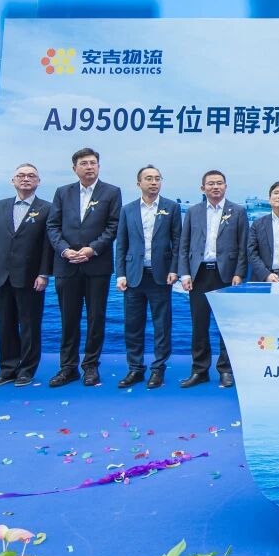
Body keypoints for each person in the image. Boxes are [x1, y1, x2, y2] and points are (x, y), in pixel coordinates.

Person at [46, 147, 122, 388]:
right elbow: (52, 226)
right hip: (66, 264)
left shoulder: (111, 192)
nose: (89, 167)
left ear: (98, 166)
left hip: (96, 265)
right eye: (84, 163)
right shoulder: (62, 192)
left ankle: (91, 366)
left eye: (93, 163)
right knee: (68, 319)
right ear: (74, 168)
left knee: (95, 318)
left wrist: (92, 249)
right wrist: (64, 250)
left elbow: (113, 226)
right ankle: (67, 368)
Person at [0, 163, 52, 388]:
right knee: (5, 324)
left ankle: (27, 370)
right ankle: (7, 369)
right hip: (1, 276)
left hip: (31, 277)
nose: (25, 179)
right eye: (21, 175)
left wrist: (44, 273)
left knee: (30, 325)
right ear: (13, 180)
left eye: (31, 176)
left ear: (38, 181)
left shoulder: (47, 208)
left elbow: (47, 245)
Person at [178, 169, 247, 389]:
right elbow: (184, 245)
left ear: (226, 186)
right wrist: (185, 273)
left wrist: (239, 273)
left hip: (226, 275)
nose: (215, 187)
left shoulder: (238, 211)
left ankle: (225, 370)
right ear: (203, 188)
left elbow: (243, 246)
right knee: (199, 325)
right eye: (210, 183)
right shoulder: (193, 212)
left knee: (226, 324)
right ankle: (199, 370)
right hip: (199, 275)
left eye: (219, 183)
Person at [114, 165, 181, 390]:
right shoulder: (128, 210)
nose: (154, 182)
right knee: (133, 326)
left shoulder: (171, 207)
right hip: (134, 276)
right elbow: (121, 245)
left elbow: (178, 242)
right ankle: (135, 368)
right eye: (149, 179)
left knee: (162, 326)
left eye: (157, 178)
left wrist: (174, 269)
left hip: (161, 276)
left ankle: (158, 369)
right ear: (138, 183)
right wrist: (120, 274)